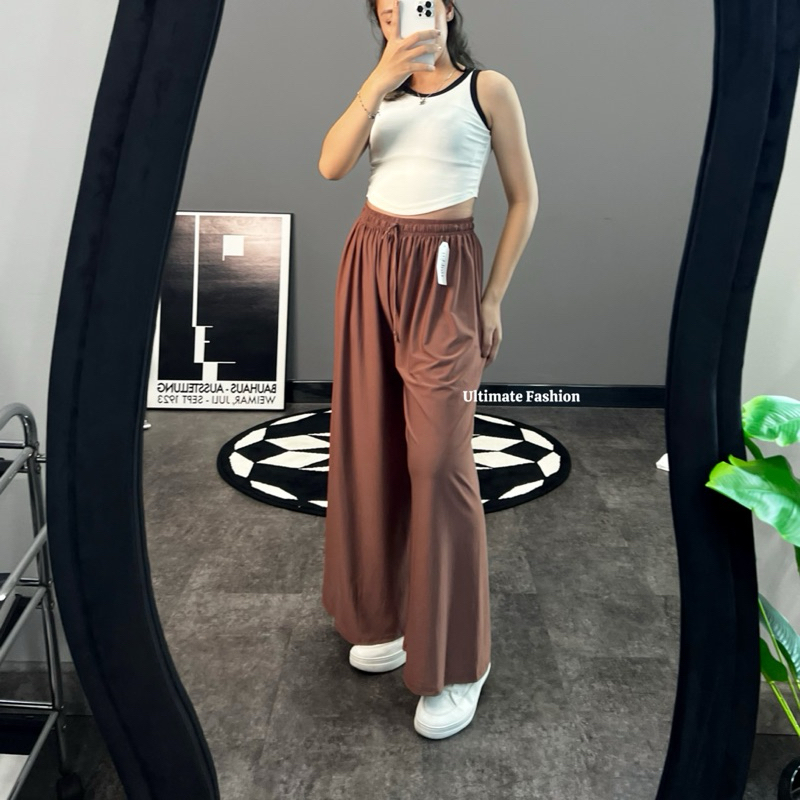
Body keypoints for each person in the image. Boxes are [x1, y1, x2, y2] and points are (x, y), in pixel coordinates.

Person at [318, 0, 537, 739]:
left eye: (413, 4)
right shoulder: (378, 90)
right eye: (385, 12)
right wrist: (377, 80)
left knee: (440, 462)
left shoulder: (487, 89)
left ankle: (460, 659)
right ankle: (385, 616)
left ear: (444, 9)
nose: (400, 20)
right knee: (371, 446)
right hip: (370, 262)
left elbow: (524, 198)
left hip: (444, 277)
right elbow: (331, 165)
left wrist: (493, 297)